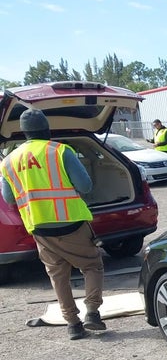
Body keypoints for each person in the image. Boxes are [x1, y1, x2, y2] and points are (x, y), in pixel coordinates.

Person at [0, 109, 105, 340]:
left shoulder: (8, 161)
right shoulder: (60, 151)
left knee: (58, 275)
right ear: (47, 129)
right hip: (72, 223)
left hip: (39, 227)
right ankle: (92, 313)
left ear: (24, 132)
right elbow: (85, 186)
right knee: (92, 266)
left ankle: (73, 325)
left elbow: (9, 199)